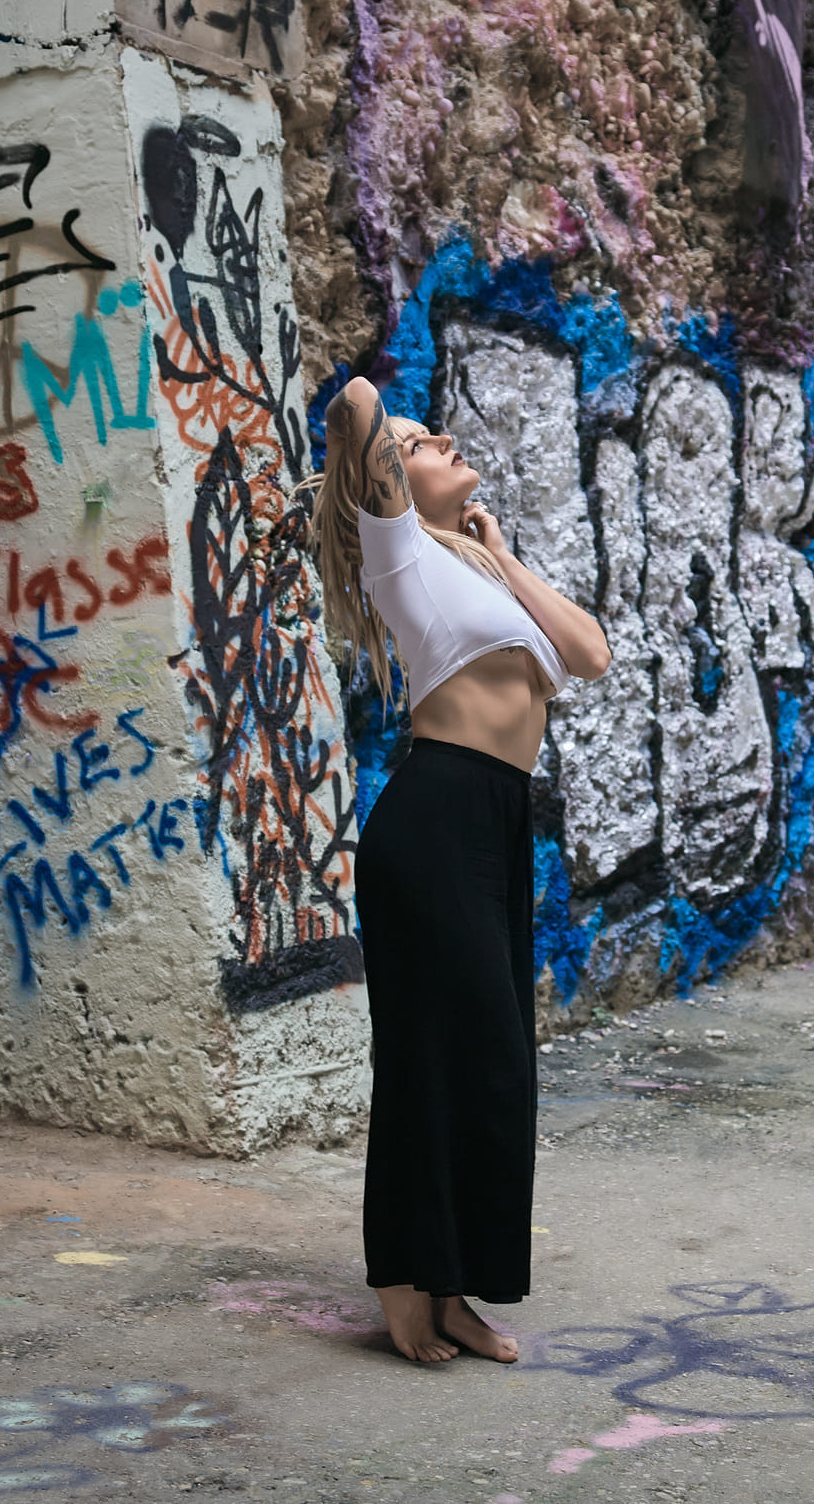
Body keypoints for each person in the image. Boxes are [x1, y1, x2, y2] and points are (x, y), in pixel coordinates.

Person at [306, 374, 610, 1363]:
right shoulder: (392, 551)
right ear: (388, 479)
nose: (438, 438)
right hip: (433, 817)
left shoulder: (469, 572)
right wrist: (378, 443)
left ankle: (454, 1287)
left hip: (492, 824)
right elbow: (352, 400)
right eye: (418, 442)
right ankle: (402, 1279)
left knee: (493, 1067)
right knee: (430, 1058)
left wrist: (497, 552)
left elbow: (590, 652)